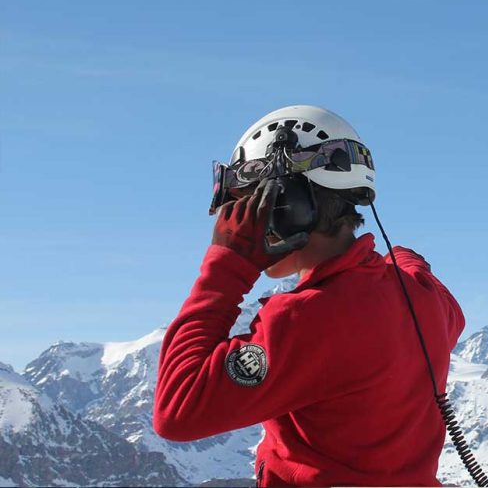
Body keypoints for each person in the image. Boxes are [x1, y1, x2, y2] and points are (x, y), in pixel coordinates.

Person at [153, 105, 465, 487]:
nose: (242, 220)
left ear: (290, 207)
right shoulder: (422, 298)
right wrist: (401, 259)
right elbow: (424, 279)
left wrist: (227, 265)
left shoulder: (303, 320)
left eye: (251, 204)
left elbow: (177, 411)